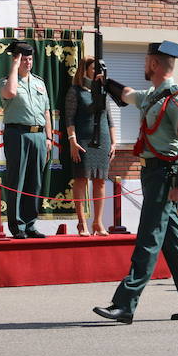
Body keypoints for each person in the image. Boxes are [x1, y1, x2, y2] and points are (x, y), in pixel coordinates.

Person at [93, 41, 178, 324]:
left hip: (166, 175)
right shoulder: (153, 95)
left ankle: (124, 304)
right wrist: (104, 80)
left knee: (148, 238)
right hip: (152, 173)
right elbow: (128, 95)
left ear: (155, 64)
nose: (143, 66)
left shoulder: (177, 100)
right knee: (173, 240)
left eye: (146, 61)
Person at [0, 41, 53, 239]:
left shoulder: (40, 82)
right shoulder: (6, 81)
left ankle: (31, 224)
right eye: (24, 59)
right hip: (17, 134)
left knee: (35, 182)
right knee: (18, 181)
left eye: (30, 59)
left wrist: (49, 137)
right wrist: (14, 67)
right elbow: (10, 93)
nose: (28, 63)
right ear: (16, 60)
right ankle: (17, 226)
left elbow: (46, 111)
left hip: (39, 135)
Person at [64, 56, 116, 237]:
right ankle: (81, 223)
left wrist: (114, 142)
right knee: (82, 179)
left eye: (99, 70)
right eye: (94, 69)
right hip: (83, 140)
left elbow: (109, 119)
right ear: (85, 70)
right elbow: (69, 118)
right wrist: (72, 141)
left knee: (100, 181)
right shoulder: (75, 91)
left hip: (102, 140)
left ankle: (98, 222)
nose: (97, 72)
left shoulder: (103, 91)